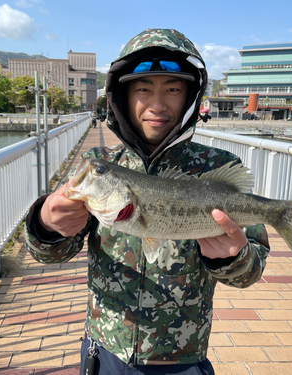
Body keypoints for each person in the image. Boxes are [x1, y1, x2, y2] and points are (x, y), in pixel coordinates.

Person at [24, 29, 269, 374]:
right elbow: (51, 255)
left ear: (190, 97)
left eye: (172, 89)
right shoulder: (101, 163)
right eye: (143, 89)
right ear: (122, 96)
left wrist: (232, 259)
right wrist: (47, 226)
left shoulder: (218, 168)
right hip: (105, 351)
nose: (156, 104)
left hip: (183, 359)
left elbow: (250, 272)